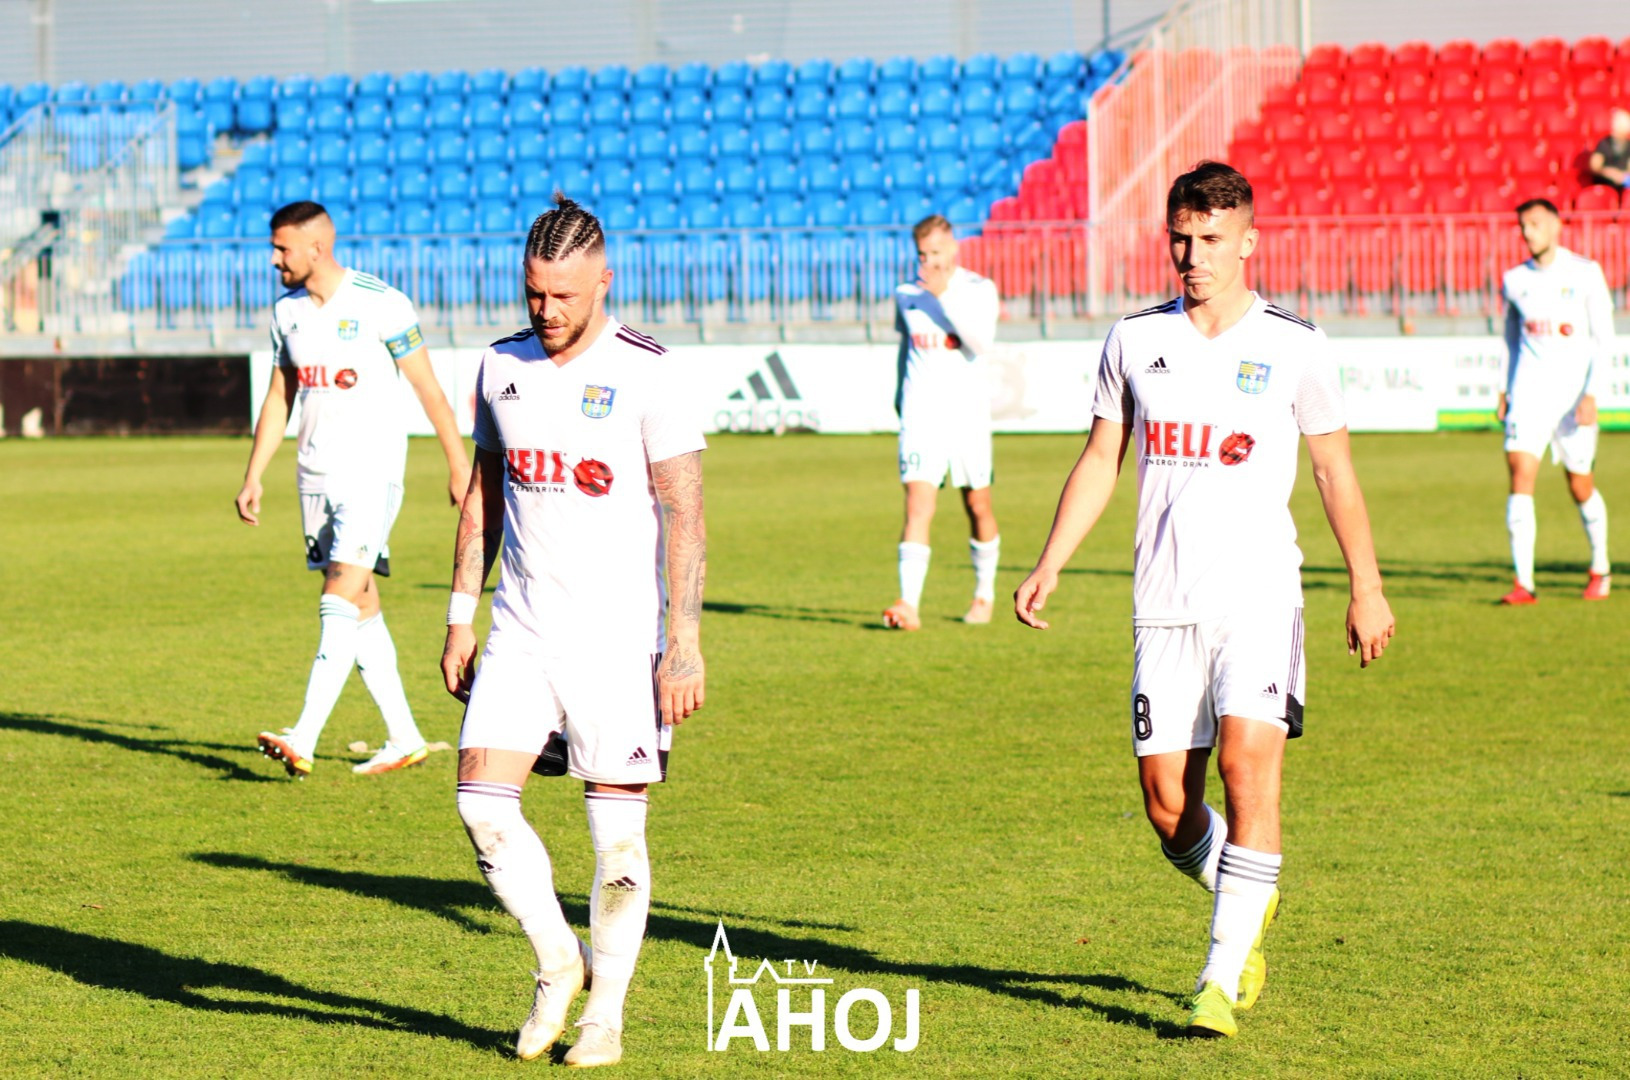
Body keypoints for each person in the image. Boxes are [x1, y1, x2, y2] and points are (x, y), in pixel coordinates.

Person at [1014, 162, 1394, 1039]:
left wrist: (1366, 587)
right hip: (1164, 603)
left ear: (1249, 242)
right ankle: (1247, 893)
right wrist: (1050, 561)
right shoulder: (1133, 338)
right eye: (1182, 239)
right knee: (1166, 807)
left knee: (1247, 768)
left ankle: (1219, 979)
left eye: (1212, 240)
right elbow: (1101, 456)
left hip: (1260, 596)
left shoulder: (1295, 345)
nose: (1194, 256)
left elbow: (1334, 470)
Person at [442, 195, 706, 1068]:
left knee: (617, 843)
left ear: (604, 282)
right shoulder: (500, 365)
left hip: (617, 646)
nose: (546, 310)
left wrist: (684, 643)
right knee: (481, 807)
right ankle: (560, 960)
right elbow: (483, 495)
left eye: (563, 295)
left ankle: (607, 1016)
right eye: (534, 293)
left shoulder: (649, 372)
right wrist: (459, 615)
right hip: (519, 631)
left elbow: (684, 513)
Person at [235, 200, 470, 778]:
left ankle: (303, 737)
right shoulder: (286, 312)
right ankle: (405, 737)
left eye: (281, 248)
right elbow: (279, 396)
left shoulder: (381, 303)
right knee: (360, 605)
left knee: (338, 597)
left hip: (371, 474)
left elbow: (429, 389)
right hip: (313, 476)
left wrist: (458, 465)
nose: (274, 259)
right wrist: (254, 473)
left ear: (316, 247)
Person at [883, 214, 1003, 630]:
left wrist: (943, 297)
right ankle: (908, 605)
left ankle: (984, 594)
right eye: (922, 254)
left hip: (967, 417)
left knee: (978, 506)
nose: (928, 261)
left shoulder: (979, 289)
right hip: (921, 416)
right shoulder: (906, 293)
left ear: (953, 247)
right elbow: (906, 347)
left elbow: (980, 343)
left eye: (935, 252)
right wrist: (899, 396)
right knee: (918, 505)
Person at [1497, 198, 1613, 604]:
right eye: (1522, 225)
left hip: (1573, 399)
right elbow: (1511, 339)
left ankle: (1600, 567)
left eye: (1534, 223)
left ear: (1556, 225)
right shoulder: (1514, 279)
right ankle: (1524, 583)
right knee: (1520, 475)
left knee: (1580, 485)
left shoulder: (1585, 273)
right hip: (1528, 396)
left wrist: (1592, 393)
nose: (1527, 232)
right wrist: (1504, 389)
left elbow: (1604, 339)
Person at [1588, 108, 1630, 188]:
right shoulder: (1604, 143)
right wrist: (1610, 173)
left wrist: (1622, 176)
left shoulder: (1628, 145)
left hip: (1622, 185)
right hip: (1604, 184)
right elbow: (1595, 167)